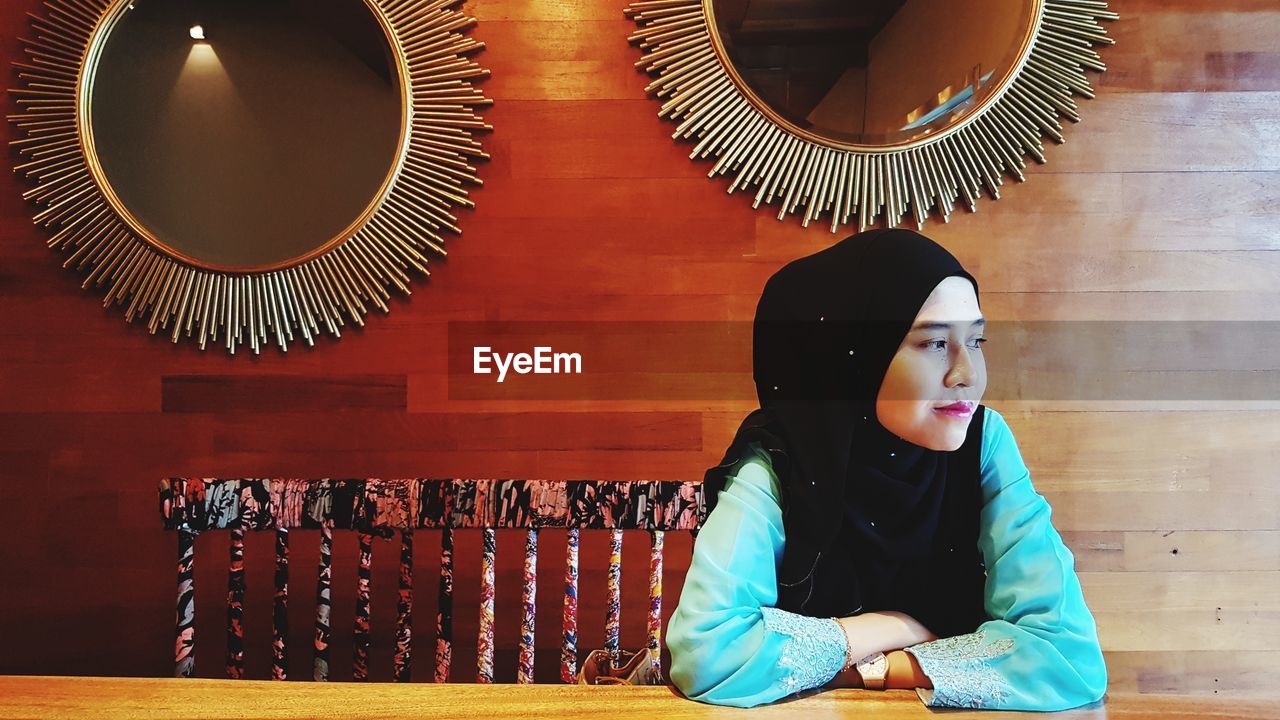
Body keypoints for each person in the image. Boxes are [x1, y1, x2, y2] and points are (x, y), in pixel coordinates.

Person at [667, 229, 1107, 709]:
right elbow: (706, 655)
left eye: (976, 340)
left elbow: (1070, 660)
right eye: (935, 343)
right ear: (854, 357)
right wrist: (902, 626)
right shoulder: (780, 457)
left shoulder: (983, 442)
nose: (968, 374)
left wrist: (872, 667)